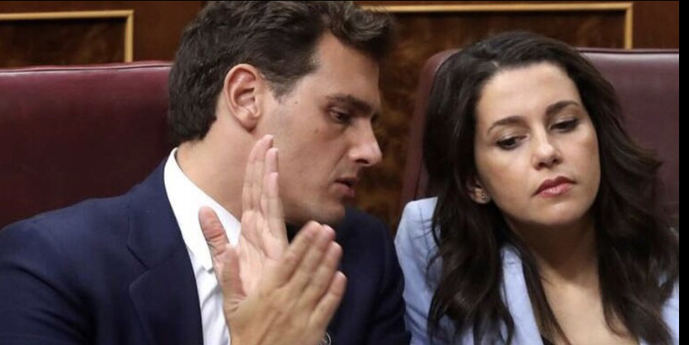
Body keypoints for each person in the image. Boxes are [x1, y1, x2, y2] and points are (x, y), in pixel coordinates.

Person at [0, 2, 410, 345]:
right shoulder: (50, 265)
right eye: (341, 115)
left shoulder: (361, 254)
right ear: (246, 97)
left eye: (371, 122)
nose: (372, 152)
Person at [395, 31, 678, 345]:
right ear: (473, 181)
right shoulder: (437, 243)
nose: (546, 152)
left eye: (565, 124)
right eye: (510, 140)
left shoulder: (666, 255)